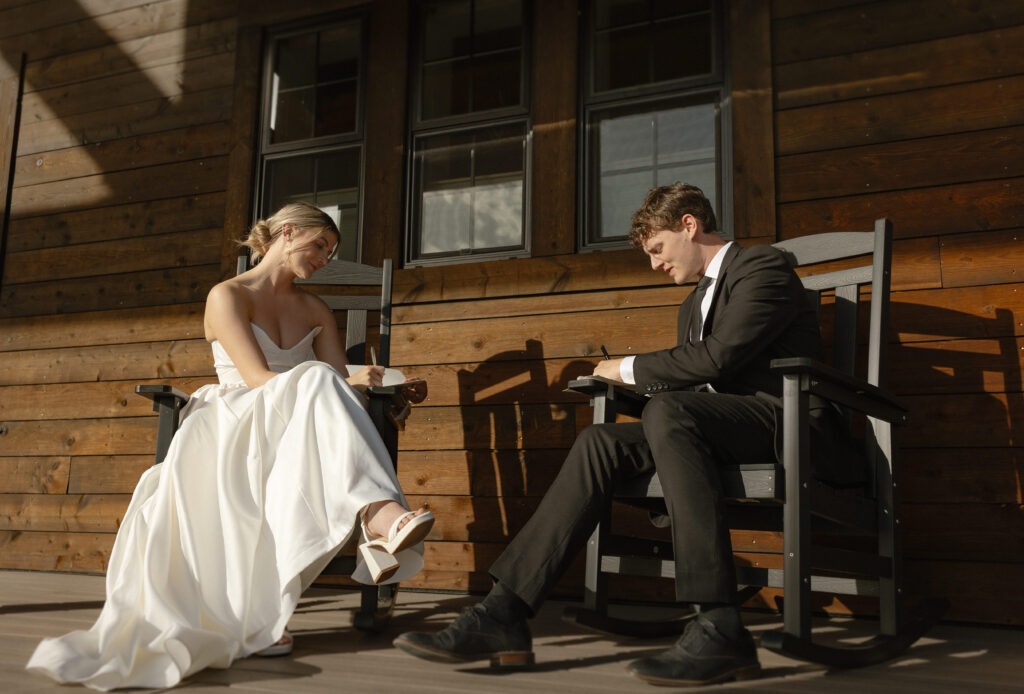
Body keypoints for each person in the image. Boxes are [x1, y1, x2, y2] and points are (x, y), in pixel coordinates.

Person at [393, 183, 860, 687]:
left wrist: (626, 367)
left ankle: (720, 623)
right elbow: (697, 380)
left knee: (669, 409)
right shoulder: (692, 305)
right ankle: (502, 614)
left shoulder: (762, 267)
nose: (655, 265)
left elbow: (718, 359)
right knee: (601, 442)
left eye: (657, 249)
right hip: (713, 426)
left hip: (784, 421)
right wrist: (612, 381)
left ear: (689, 225)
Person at [27, 202, 434, 690]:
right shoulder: (227, 295)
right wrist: (343, 380)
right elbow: (260, 378)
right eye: (321, 245)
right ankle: (379, 517)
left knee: (325, 384)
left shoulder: (316, 310)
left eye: (331, 251)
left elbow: (337, 383)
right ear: (287, 232)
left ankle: (367, 528)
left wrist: (389, 381)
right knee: (321, 382)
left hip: (300, 418)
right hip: (236, 414)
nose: (326, 258)